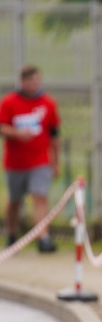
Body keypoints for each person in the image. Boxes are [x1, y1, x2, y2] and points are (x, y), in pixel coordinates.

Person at [0, 66, 60, 252]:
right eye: (31, 81)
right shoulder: (9, 102)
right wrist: (17, 133)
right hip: (15, 162)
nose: (35, 84)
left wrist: (55, 162)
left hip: (40, 160)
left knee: (39, 197)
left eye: (37, 80)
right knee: (15, 200)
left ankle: (43, 238)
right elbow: (2, 127)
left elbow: (54, 134)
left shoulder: (48, 103)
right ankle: (11, 235)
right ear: (23, 81)